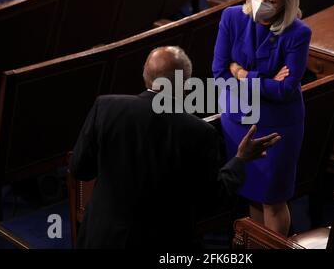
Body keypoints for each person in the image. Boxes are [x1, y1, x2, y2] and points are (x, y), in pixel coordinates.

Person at [70, 46, 281, 248]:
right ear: (186, 85)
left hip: (100, 237)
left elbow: (80, 168)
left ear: (145, 76)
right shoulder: (200, 132)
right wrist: (240, 160)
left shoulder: (106, 107)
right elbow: (211, 200)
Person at [212, 0, 312, 235]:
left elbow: (286, 90)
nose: (262, 3)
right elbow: (220, 73)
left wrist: (243, 73)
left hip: (277, 127)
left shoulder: (297, 33)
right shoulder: (231, 17)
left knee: (274, 199)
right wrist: (265, 80)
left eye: (271, 0)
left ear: (285, 5)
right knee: (253, 194)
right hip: (238, 120)